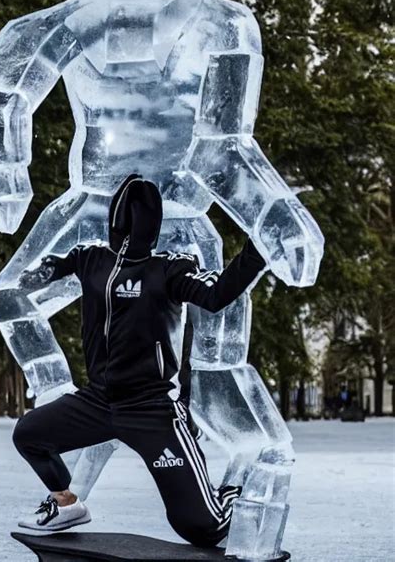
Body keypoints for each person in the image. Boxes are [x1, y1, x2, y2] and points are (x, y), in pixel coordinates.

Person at [13, 174, 267, 547]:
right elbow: (55, 264)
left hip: (153, 410)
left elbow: (215, 295)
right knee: (29, 435)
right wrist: (33, 274)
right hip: (98, 401)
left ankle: (235, 489)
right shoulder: (91, 259)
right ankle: (66, 504)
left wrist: (259, 247)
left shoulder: (169, 270)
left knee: (202, 528)